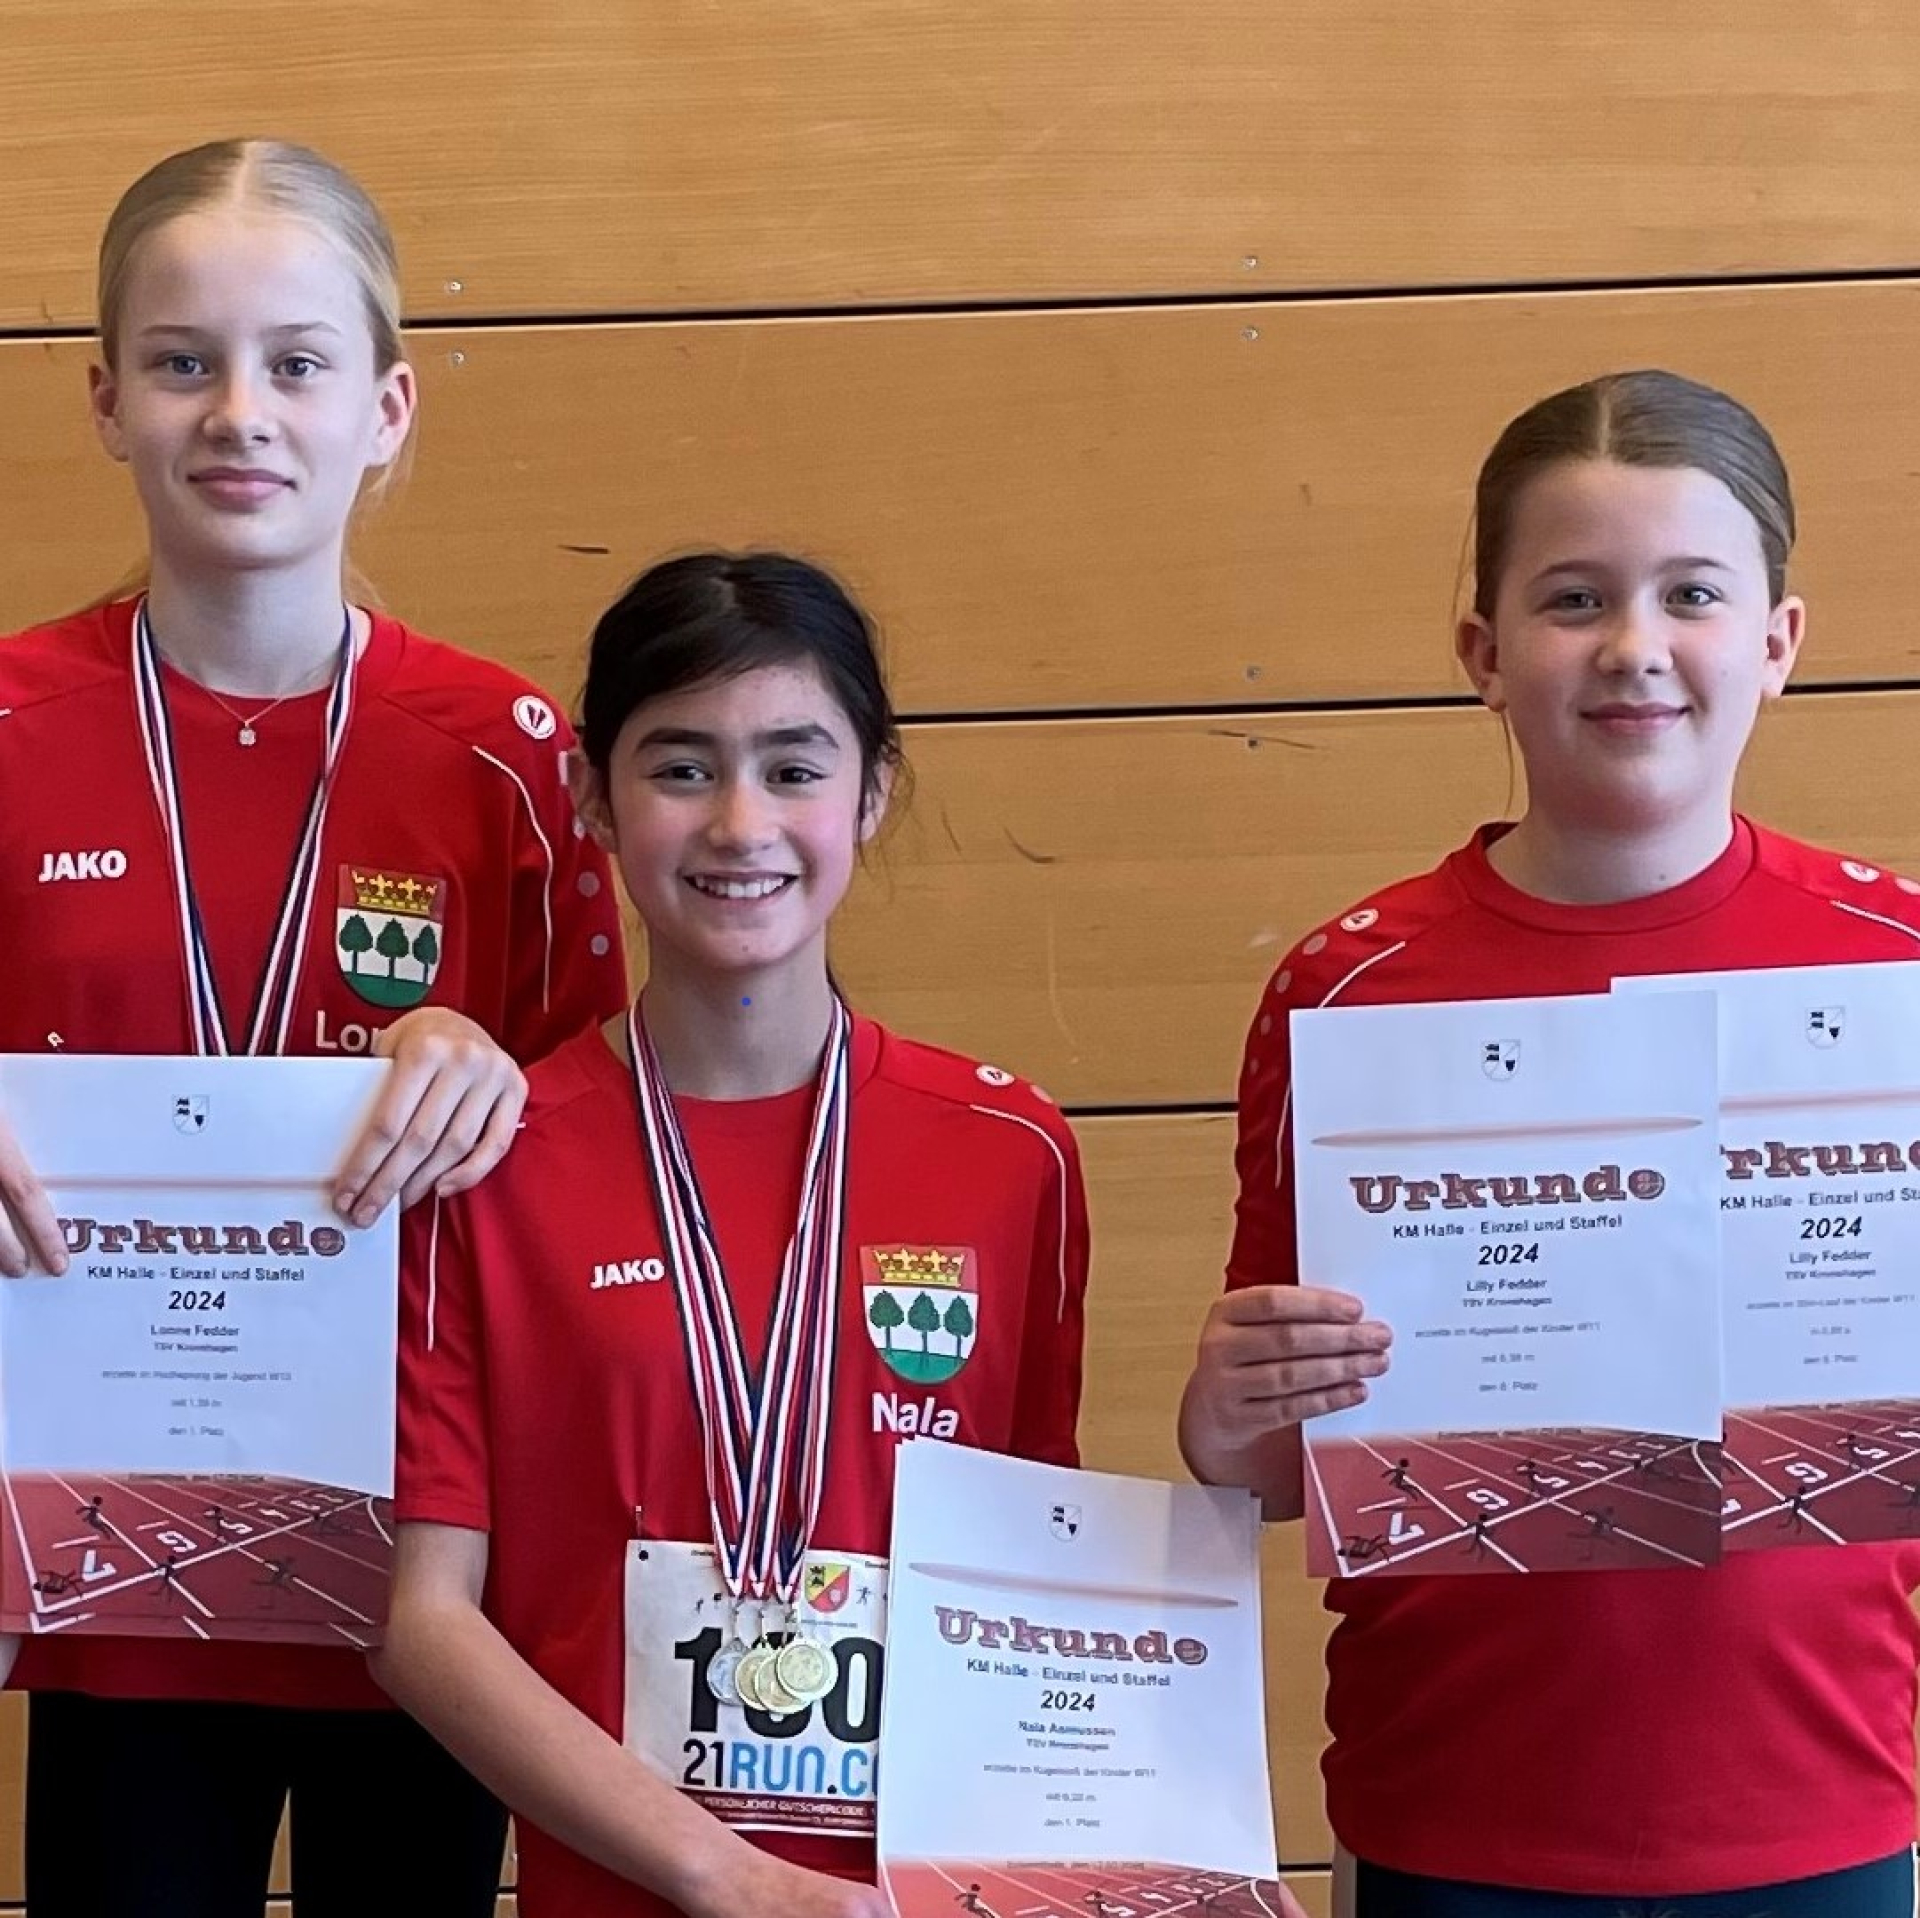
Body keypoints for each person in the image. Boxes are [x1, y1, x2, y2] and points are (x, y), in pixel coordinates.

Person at [1179, 370, 1920, 1915]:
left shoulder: (1894, 966)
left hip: (1819, 1799)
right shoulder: (1351, 988)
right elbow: (1270, 1463)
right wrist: (1228, 1409)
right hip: (1454, 1810)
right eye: (1575, 598)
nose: (1634, 645)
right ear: (1485, 653)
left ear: (1780, 642)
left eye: (1692, 593)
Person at [0, 138, 626, 1917]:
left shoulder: (503, 752)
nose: (239, 411)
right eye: (181, 360)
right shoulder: (9, 720)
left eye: (295, 361)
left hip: (423, 1569)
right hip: (110, 1565)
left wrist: (500, 1077)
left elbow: (608, 1142)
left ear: (386, 407)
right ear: (105, 398)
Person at [374, 552, 1090, 1918]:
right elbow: (422, 1621)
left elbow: (1037, 1571)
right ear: (592, 796)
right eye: (683, 767)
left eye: (794, 766)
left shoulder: (1014, 1154)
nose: (740, 822)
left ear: (872, 792)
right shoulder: (487, 1160)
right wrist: (735, 1880)